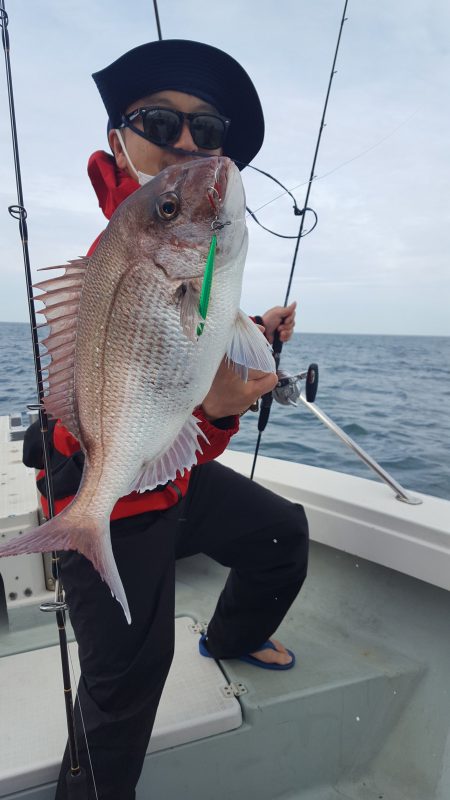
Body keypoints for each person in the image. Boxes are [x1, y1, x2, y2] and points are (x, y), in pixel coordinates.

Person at [23, 39, 309, 800]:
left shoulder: (165, 255)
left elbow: (185, 347)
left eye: (208, 133)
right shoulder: (115, 256)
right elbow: (97, 417)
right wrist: (215, 406)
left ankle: (232, 638)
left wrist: (249, 336)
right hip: (109, 490)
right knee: (128, 678)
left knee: (283, 535)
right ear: (119, 136)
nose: (188, 143)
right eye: (160, 120)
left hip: (171, 476)